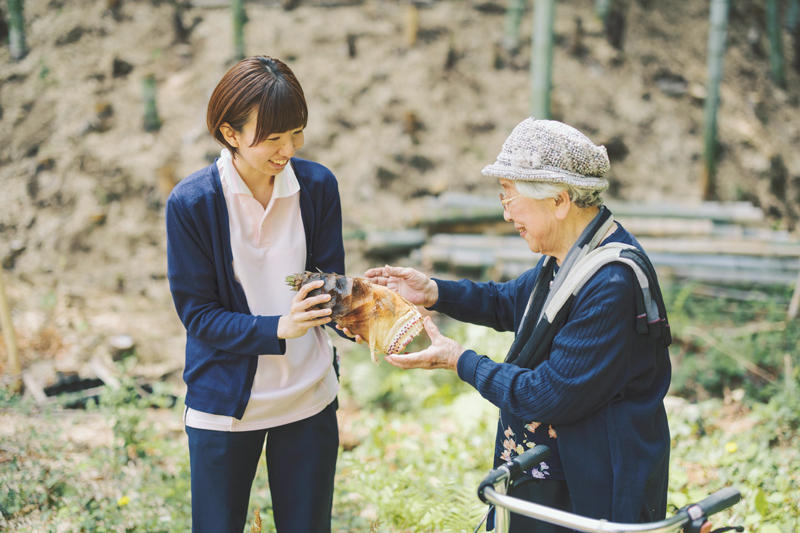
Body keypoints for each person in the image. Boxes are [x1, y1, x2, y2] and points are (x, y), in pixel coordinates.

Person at [366, 118, 672, 532]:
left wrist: (460, 360)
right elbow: (511, 302)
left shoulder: (610, 282)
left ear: (560, 201)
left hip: (594, 478)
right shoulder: (570, 253)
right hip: (553, 466)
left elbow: (547, 393)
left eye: (510, 197)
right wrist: (434, 291)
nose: (507, 214)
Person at [166, 56, 359, 533]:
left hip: (308, 394)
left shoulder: (316, 187)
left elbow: (328, 287)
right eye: (272, 138)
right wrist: (280, 328)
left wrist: (363, 310)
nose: (287, 149)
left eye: (296, 133)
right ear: (230, 133)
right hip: (225, 404)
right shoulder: (192, 204)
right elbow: (200, 316)